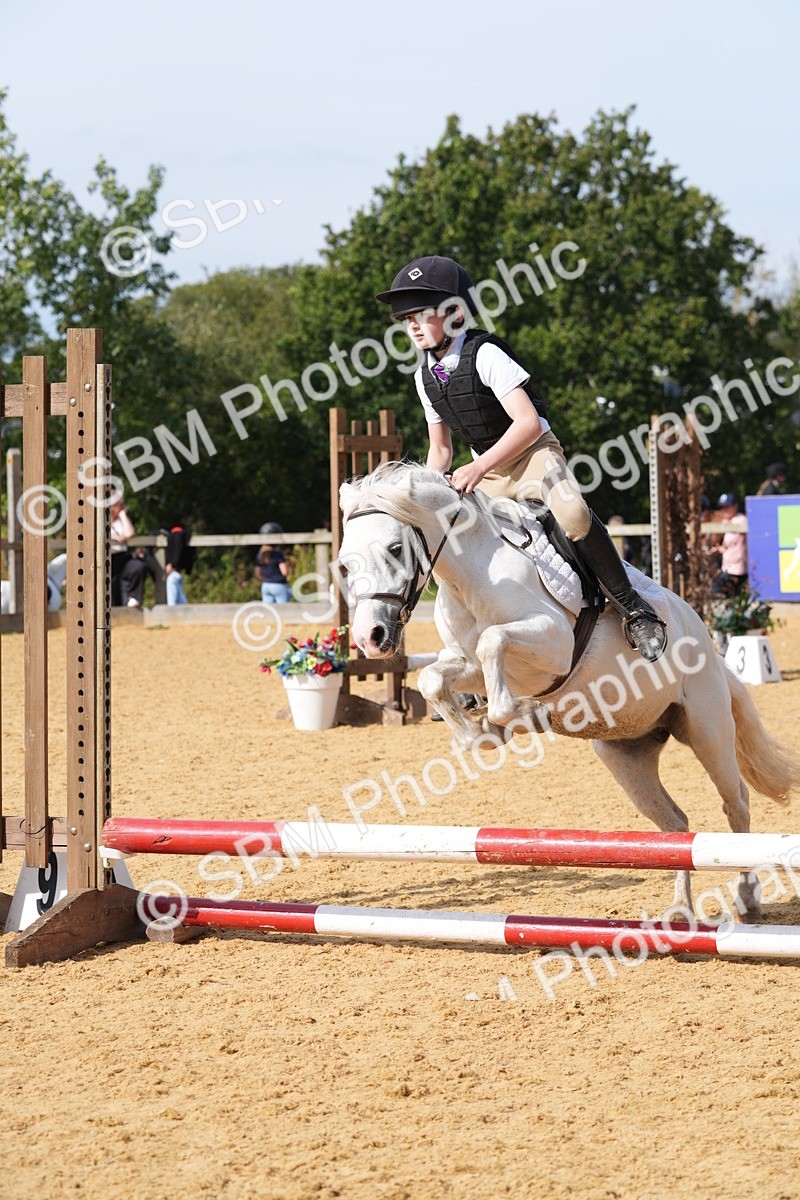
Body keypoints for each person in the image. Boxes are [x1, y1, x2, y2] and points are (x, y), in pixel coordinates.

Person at [376, 255, 667, 661]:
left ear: (455, 314)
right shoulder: (424, 377)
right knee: (458, 538)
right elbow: (440, 451)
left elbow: (528, 423)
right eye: (407, 318)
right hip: (488, 472)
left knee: (572, 514)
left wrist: (478, 466)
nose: (412, 325)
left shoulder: (485, 354)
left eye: (422, 315)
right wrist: (422, 498)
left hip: (533, 456)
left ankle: (635, 610)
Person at [110, 498, 150, 607]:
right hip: (107, 559)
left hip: (123, 557)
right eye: (119, 505)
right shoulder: (100, 519)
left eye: (122, 505)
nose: (122, 507)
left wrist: (123, 514)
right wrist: (113, 537)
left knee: (138, 566)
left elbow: (130, 534)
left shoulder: (122, 520)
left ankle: (134, 599)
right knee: (112, 586)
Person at [711, 492, 748, 597]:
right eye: (723, 507)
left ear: (735, 506)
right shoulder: (728, 522)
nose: (725, 510)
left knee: (715, 592)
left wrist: (725, 524)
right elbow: (729, 547)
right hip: (728, 568)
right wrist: (718, 549)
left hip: (736, 570)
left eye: (728, 507)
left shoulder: (741, 520)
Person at [255, 522, 292, 604]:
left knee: (268, 609)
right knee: (283, 608)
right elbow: (284, 572)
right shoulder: (277, 554)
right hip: (278, 584)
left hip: (265, 585)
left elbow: (257, 573)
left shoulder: (260, 554)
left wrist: (267, 579)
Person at [164, 524, 195, 605]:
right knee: (182, 602)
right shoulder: (182, 536)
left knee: (173, 603)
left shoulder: (172, 578)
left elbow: (171, 604)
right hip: (178, 573)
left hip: (174, 574)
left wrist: (172, 564)